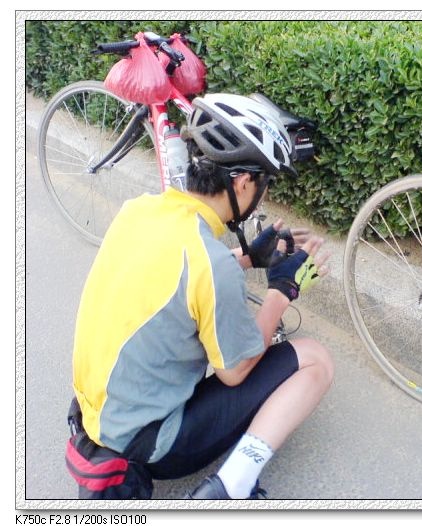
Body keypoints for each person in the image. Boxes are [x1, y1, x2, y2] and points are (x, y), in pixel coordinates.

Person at [70, 94, 334, 499]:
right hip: (152, 446)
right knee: (315, 358)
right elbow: (237, 371)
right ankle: (231, 486)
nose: (262, 195)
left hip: (96, 416)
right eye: (265, 184)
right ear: (244, 182)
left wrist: (247, 258)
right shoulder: (209, 265)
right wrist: (282, 291)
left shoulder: (139, 210)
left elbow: (174, 272)